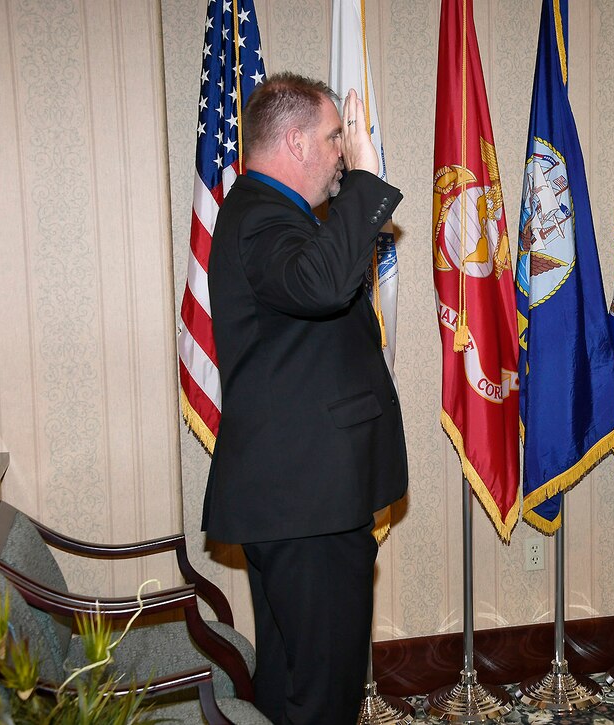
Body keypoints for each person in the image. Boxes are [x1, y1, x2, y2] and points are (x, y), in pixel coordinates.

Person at [203, 72, 407, 724]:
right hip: (306, 504)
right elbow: (321, 283)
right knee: (323, 696)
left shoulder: (270, 213)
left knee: (294, 685)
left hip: (299, 499)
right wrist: (369, 183)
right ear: (294, 142)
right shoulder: (262, 215)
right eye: (334, 138)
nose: (343, 153)